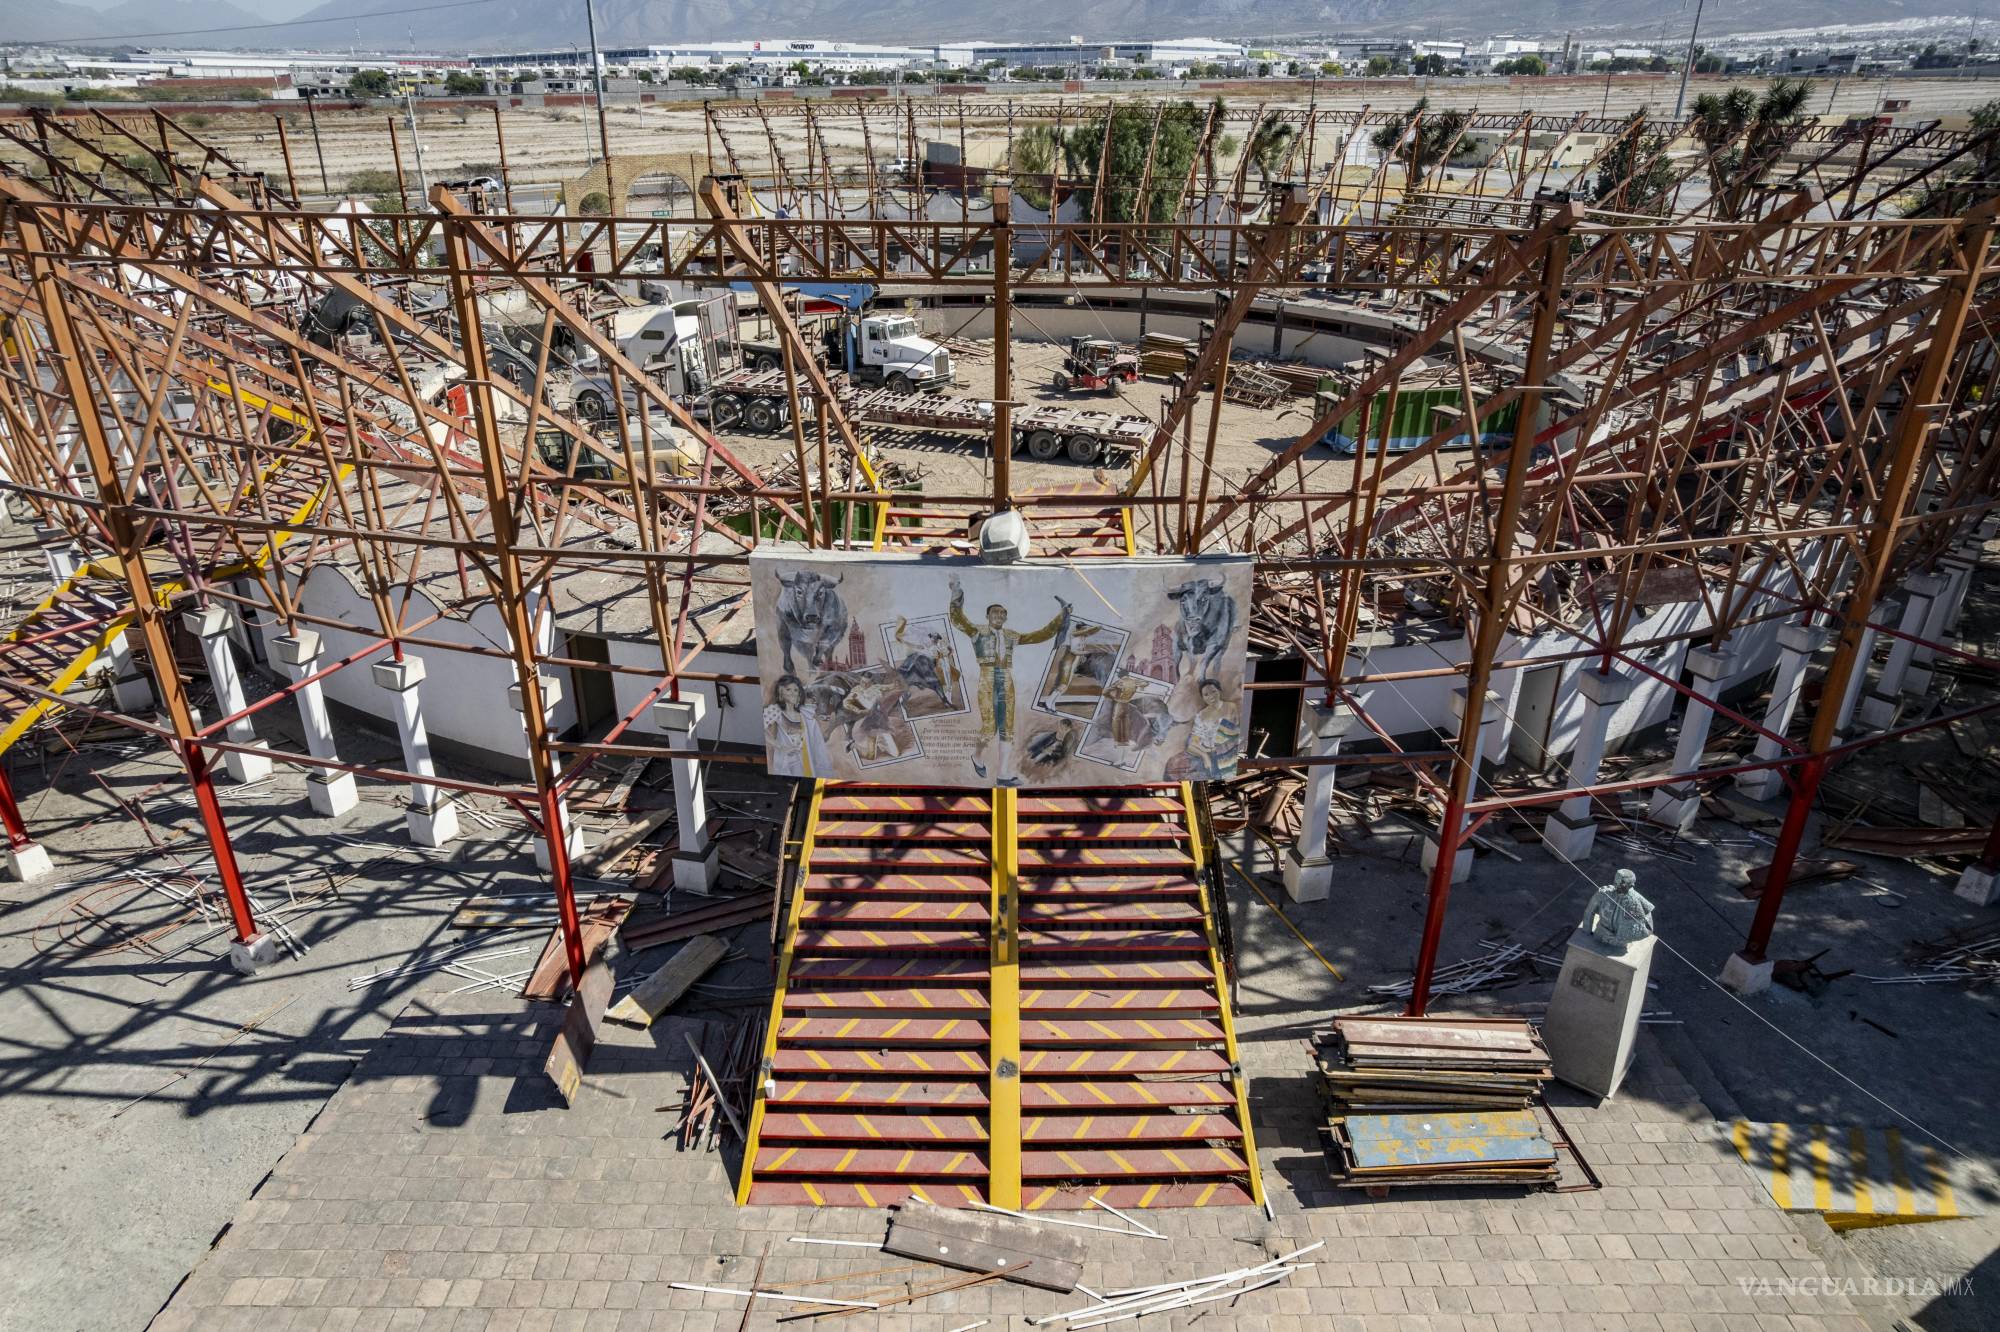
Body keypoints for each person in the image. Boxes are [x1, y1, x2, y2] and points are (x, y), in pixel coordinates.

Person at [948, 575, 1070, 784]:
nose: (999, 615)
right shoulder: (977, 631)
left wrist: (1061, 617)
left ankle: (1003, 774)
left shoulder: (1011, 635)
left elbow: (1040, 635)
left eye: (1002, 613)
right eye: (995, 612)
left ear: (1005, 618)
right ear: (987, 616)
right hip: (987, 679)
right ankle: (977, 756)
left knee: (1007, 728)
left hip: (1006, 679)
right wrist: (956, 592)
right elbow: (958, 619)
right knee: (989, 728)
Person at [1182, 678, 1241, 779]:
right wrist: (1204, 755)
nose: (1211, 696)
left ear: (1219, 690)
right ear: (1202, 697)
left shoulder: (1231, 707)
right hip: (1212, 754)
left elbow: (1236, 731)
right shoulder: (1201, 715)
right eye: (1206, 694)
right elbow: (1195, 740)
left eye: (1213, 691)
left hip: (1231, 751)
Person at [762, 674, 819, 777]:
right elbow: (762, 729)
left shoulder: (803, 713)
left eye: (796, 690)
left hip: (804, 757)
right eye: (788, 689)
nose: (793, 693)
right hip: (786, 759)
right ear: (781, 692)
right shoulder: (776, 710)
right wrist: (779, 746)